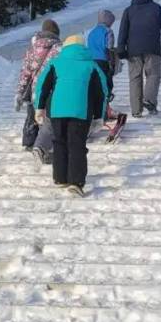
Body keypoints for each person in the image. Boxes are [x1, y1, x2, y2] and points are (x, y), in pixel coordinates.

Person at [33, 34, 110, 196]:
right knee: (77, 145)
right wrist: (99, 116)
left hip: (57, 111)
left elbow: (42, 86)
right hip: (81, 112)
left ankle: (60, 177)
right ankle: (76, 182)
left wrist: (39, 108)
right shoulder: (92, 66)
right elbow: (102, 93)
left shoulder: (55, 63)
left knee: (59, 142)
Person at [116, 0, 161, 117]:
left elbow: (123, 30)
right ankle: (149, 100)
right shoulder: (157, 8)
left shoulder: (128, 11)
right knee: (153, 75)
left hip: (133, 51)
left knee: (134, 78)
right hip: (152, 48)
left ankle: (136, 111)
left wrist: (121, 48)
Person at [14, 18, 61, 162]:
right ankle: (44, 148)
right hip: (49, 90)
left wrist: (20, 92)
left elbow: (25, 72)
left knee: (31, 116)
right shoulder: (59, 48)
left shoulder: (33, 49)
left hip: (33, 89)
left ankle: (28, 142)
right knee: (47, 120)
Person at [86, 9, 119, 118]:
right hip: (103, 61)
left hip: (91, 62)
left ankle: (95, 111)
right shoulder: (108, 31)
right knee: (106, 85)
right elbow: (109, 48)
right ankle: (105, 111)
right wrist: (112, 64)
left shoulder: (91, 32)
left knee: (95, 86)